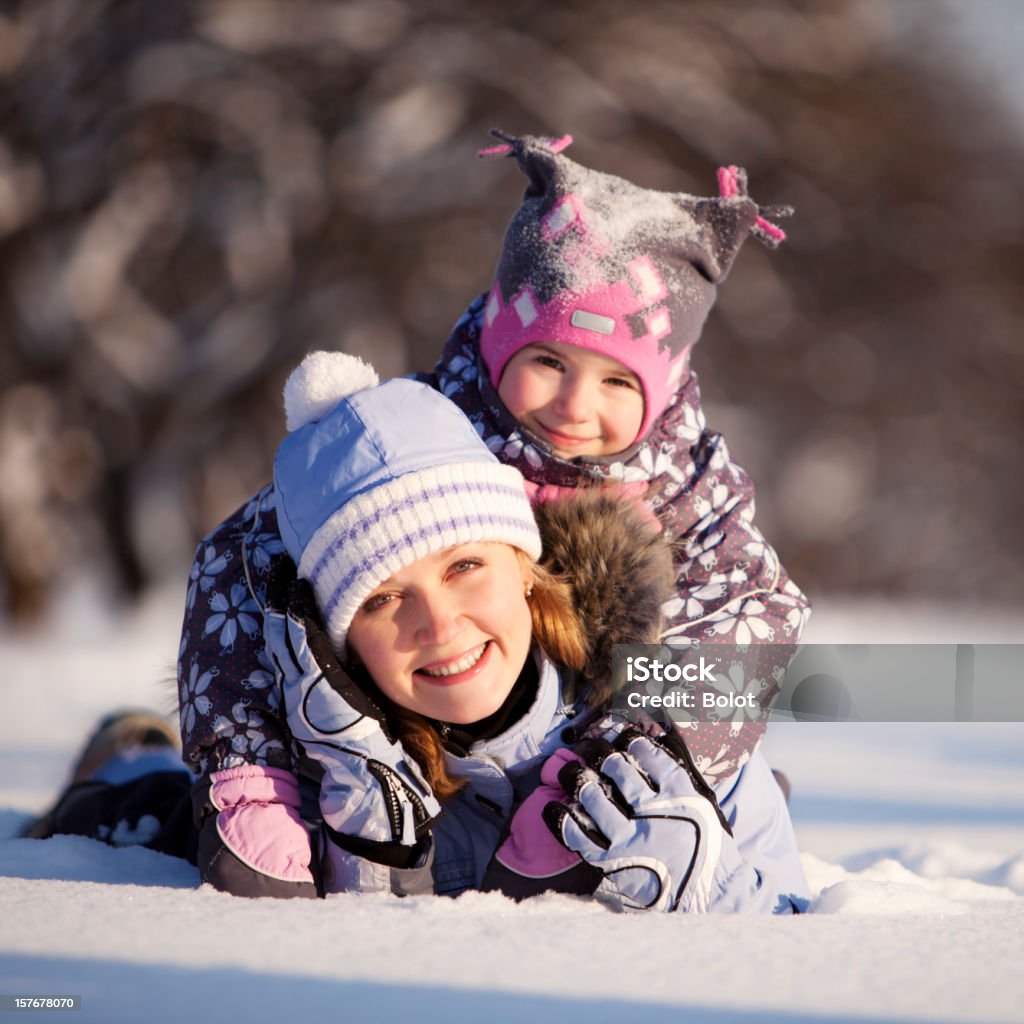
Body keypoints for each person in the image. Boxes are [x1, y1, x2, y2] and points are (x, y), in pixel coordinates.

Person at [31, 355, 807, 912]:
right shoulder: (305, 743)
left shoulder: (658, 722)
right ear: (342, 637)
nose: (438, 625)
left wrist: (716, 890)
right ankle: (133, 753)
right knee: (147, 816)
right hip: (177, 805)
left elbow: (800, 938)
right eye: (381, 599)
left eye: (465, 565)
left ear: (527, 567)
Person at [178, 132, 809, 808]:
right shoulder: (418, 439)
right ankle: (130, 775)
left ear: (664, 388)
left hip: (586, 763)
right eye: (549, 362)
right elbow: (238, 564)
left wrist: (640, 765)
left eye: (618, 383)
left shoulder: (687, 491)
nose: (575, 405)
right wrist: (247, 765)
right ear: (499, 342)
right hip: (414, 749)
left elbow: (747, 625)